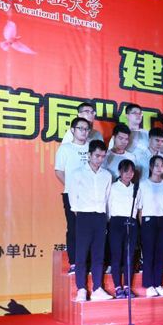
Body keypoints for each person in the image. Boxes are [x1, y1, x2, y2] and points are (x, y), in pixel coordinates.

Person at [68, 140, 113, 302]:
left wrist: (106, 218)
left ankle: (97, 288)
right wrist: (79, 214)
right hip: (84, 216)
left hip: (100, 217)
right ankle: (81, 289)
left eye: (103, 156)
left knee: (98, 255)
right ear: (89, 155)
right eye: (97, 156)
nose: (100, 159)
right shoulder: (77, 173)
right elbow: (72, 197)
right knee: (81, 254)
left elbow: (108, 198)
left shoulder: (107, 175)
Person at [55, 117, 91, 274]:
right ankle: (75, 262)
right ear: (72, 130)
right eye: (80, 128)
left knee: (90, 229)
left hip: (91, 196)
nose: (84, 131)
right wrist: (72, 187)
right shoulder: (65, 148)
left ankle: (89, 262)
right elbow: (59, 171)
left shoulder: (92, 147)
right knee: (74, 228)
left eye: (86, 129)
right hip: (71, 194)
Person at [138, 155, 163, 297]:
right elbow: (140, 208)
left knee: (161, 253)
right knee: (148, 254)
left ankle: (158, 284)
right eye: (157, 165)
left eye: (162, 166)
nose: (159, 168)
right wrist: (142, 225)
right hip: (148, 220)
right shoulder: (143, 184)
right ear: (151, 167)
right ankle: (148, 285)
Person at [107, 159, 140, 299]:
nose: (129, 174)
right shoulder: (113, 187)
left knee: (129, 256)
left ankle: (127, 286)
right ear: (120, 172)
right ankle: (117, 287)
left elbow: (138, 208)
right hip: (116, 222)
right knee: (116, 256)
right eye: (126, 171)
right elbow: (108, 207)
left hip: (131, 223)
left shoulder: (136, 188)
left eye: (131, 171)